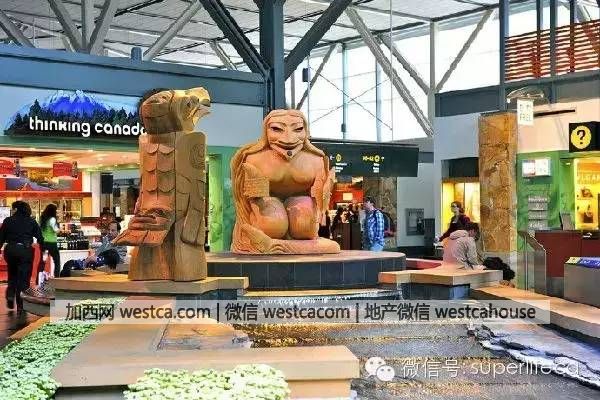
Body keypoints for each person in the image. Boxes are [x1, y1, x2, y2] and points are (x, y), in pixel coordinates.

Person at [0, 201, 43, 312]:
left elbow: (1, 238)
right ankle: (21, 305)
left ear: (16, 209)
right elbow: (40, 237)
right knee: (24, 278)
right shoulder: (31, 221)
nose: (12, 211)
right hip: (25, 251)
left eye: (13, 209)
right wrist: (44, 249)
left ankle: (10, 294)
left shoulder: (8, 221)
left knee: (12, 273)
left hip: (10, 250)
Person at [40, 204, 61, 277]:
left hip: (43, 243)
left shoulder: (42, 219)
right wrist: (61, 230)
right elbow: (56, 230)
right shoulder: (52, 219)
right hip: (52, 243)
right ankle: (57, 277)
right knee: (57, 260)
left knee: (43, 260)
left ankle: (40, 276)